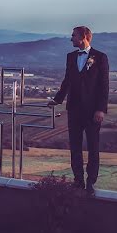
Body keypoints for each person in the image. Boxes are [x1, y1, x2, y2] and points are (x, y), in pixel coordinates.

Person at [48, 26, 109, 195]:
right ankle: (78, 181)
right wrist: (57, 99)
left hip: (92, 111)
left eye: (73, 36)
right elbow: (67, 81)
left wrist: (100, 109)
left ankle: (91, 182)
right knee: (74, 147)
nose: (71, 39)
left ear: (83, 37)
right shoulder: (70, 57)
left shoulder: (100, 57)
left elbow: (104, 86)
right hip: (74, 109)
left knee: (93, 147)